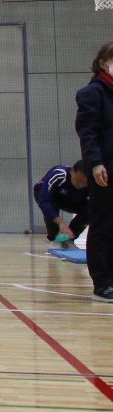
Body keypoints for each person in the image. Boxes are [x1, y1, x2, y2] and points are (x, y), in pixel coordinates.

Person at [73, 41, 113, 301]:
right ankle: (102, 283)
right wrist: (96, 163)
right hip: (105, 170)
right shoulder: (92, 93)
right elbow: (87, 133)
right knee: (103, 226)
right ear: (102, 63)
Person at [32, 160, 93, 245]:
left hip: (72, 199)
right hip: (45, 194)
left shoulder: (94, 182)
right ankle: (54, 237)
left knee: (92, 210)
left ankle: (68, 239)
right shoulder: (59, 175)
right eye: (77, 181)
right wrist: (61, 223)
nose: (80, 186)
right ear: (72, 172)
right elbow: (44, 201)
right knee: (51, 208)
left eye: (85, 183)